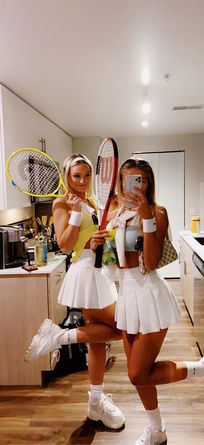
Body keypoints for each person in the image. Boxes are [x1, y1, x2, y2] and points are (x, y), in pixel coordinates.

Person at [103, 158, 204, 445]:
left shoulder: (157, 213)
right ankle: (156, 431)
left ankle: (202, 369)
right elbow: (114, 263)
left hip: (149, 296)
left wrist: (146, 218)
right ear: (120, 182)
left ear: (149, 183)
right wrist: (98, 247)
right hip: (126, 296)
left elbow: (150, 263)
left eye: (141, 180)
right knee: (141, 375)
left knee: (138, 373)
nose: (134, 186)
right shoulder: (116, 214)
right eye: (128, 180)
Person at [24, 153, 125, 430]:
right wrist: (77, 213)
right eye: (75, 175)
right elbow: (66, 245)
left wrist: (114, 211)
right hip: (84, 273)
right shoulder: (62, 203)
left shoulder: (92, 200)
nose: (81, 181)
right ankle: (59, 336)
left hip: (99, 272)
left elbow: (94, 235)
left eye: (86, 175)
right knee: (122, 329)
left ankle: (95, 403)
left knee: (97, 341)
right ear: (67, 176)